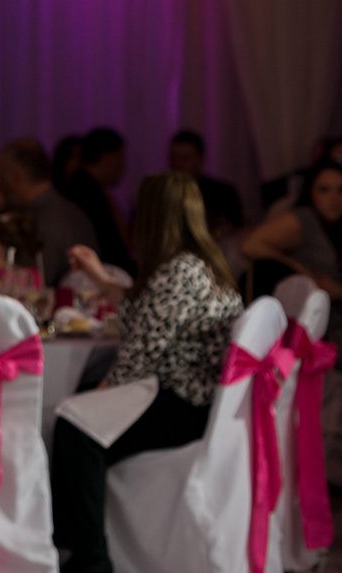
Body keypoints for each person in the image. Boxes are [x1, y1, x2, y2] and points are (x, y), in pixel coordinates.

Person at [52, 173, 243, 573]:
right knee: (79, 406)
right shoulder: (199, 264)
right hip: (198, 398)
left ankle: (90, 559)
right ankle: (76, 542)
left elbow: (140, 355)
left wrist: (100, 394)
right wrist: (101, 278)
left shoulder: (180, 271)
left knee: (74, 425)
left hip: (183, 406)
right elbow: (144, 316)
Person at [242, 158, 342, 346]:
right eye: (324, 190)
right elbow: (251, 245)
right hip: (318, 327)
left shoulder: (334, 227)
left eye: (340, 190)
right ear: (310, 192)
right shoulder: (305, 220)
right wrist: (303, 273)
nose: (334, 198)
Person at [0, 138, 97, 285]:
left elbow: (35, 282)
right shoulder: (67, 210)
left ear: (16, 176)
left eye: (2, 178)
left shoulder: (48, 220)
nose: (1, 187)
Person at [63, 128, 134, 273]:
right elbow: (112, 247)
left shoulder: (78, 186)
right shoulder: (88, 193)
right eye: (121, 159)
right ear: (109, 158)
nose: (123, 167)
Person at [167, 129, 243, 234]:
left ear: (200, 158)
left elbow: (238, 231)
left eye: (185, 158)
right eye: (174, 158)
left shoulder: (222, 193)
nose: (178, 164)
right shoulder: (157, 195)